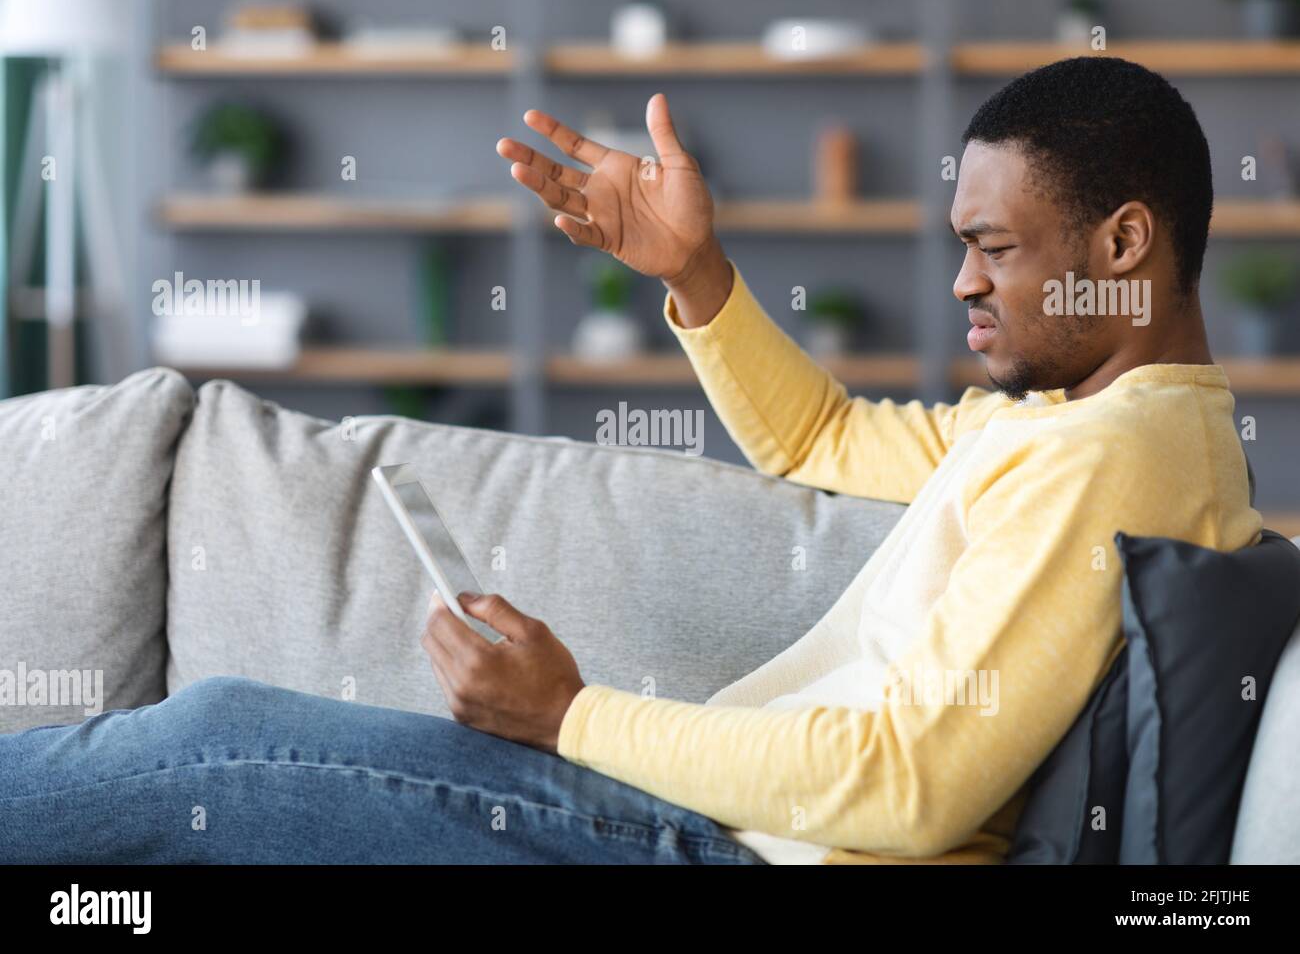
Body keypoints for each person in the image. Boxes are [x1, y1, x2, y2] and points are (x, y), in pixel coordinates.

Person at [0, 57, 1260, 865]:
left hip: (712, 849)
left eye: (993, 245)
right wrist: (692, 275)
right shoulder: (1074, 423)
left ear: (1125, 240)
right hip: (700, 827)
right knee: (209, 749)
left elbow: (912, 782)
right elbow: (820, 439)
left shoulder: (1105, 458)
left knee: (216, 744)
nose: (962, 281)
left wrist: (567, 713)